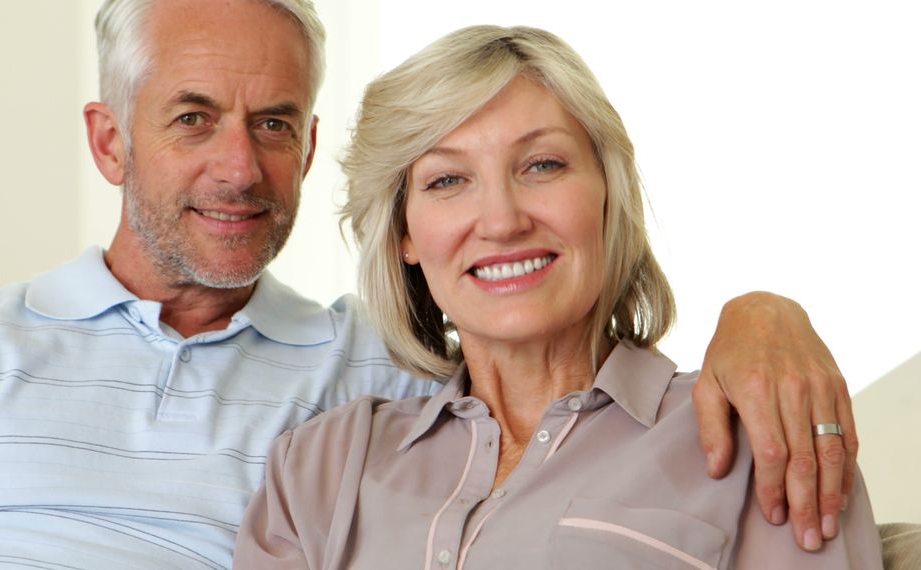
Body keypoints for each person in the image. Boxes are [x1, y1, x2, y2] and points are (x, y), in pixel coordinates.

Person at [0, 1, 857, 568]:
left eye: (274, 122)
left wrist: (762, 314)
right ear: (110, 141)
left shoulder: (371, 377)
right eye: (193, 117)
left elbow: (539, 355)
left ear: (313, 143)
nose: (240, 167)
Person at [233, 25, 880, 569]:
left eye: (542, 165)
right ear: (404, 232)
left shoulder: (763, 433)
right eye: (448, 179)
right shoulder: (318, 466)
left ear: (607, 191)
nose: (502, 220)